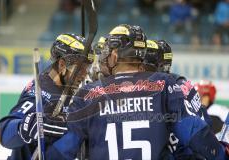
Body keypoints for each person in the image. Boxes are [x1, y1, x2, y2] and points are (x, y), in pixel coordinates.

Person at [45, 24, 229, 160]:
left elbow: (65, 148)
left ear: (115, 55)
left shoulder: (89, 92)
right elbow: (193, 132)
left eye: (108, 51)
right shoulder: (164, 84)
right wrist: (220, 154)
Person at [0, 33, 94, 160]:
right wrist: (27, 127)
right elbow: (6, 134)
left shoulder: (70, 87)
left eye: (87, 68)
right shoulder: (42, 91)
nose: (84, 74)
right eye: (80, 68)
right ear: (62, 64)